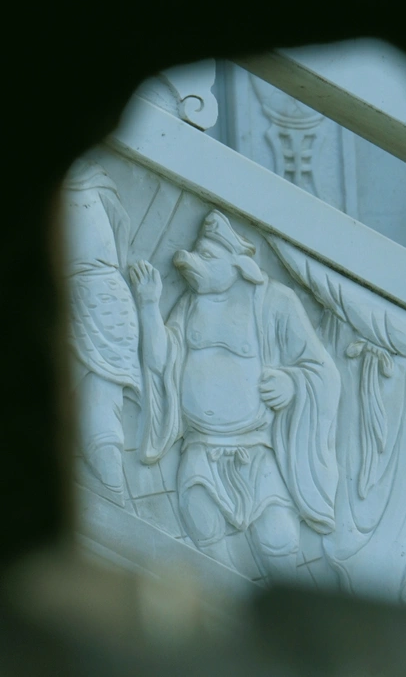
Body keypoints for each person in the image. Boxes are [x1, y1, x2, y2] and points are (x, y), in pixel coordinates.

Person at [130, 210, 340, 580]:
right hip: (201, 448)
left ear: (239, 265)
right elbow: (160, 361)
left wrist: (293, 383)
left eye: (207, 256)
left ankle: (283, 609)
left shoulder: (275, 302)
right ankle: (230, 606)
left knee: (279, 538)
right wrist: (148, 305)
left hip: (255, 448)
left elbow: (322, 369)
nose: (193, 264)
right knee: (202, 526)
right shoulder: (190, 305)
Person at [63, 159, 141, 503]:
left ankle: (113, 495)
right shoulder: (93, 181)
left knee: (98, 410)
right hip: (102, 295)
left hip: (96, 298)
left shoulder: (85, 181)